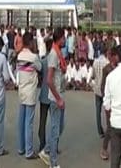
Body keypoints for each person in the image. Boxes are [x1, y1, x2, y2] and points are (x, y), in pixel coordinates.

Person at [17, 32, 42, 159]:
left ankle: (21, 147)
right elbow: (40, 68)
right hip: (31, 92)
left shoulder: (20, 55)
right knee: (29, 122)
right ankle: (29, 151)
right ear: (31, 42)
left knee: (21, 121)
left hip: (21, 91)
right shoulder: (33, 57)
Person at [44, 27, 66, 168]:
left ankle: (47, 149)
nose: (65, 40)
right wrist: (58, 98)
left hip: (59, 94)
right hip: (55, 97)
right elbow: (49, 80)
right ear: (59, 39)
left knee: (59, 127)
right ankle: (53, 162)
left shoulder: (58, 53)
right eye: (64, 38)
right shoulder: (53, 54)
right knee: (55, 130)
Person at [38, 38, 53, 157]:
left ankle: (42, 145)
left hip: (43, 93)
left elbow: (39, 76)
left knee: (42, 121)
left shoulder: (43, 61)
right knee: (54, 122)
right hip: (53, 94)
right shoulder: (55, 61)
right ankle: (53, 145)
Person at [92, 43, 109, 138]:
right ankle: (109, 129)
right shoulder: (107, 62)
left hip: (97, 88)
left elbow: (93, 75)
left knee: (97, 111)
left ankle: (100, 131)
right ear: (106, 52)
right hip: (105, 89)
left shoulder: (95, 61)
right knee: (107, 110)